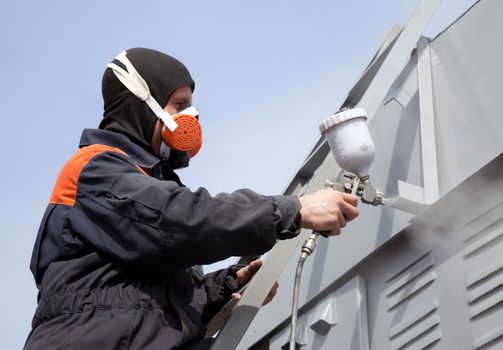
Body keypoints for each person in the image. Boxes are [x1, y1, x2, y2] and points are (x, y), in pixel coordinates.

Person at [24, 48, 359, 350]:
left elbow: (146, 304)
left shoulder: (144, 181)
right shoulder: (95, 169)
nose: (191, 117)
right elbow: (179, 219)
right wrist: (293, 209)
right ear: (143, 106)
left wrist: (224, 286)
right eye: (180, 105)